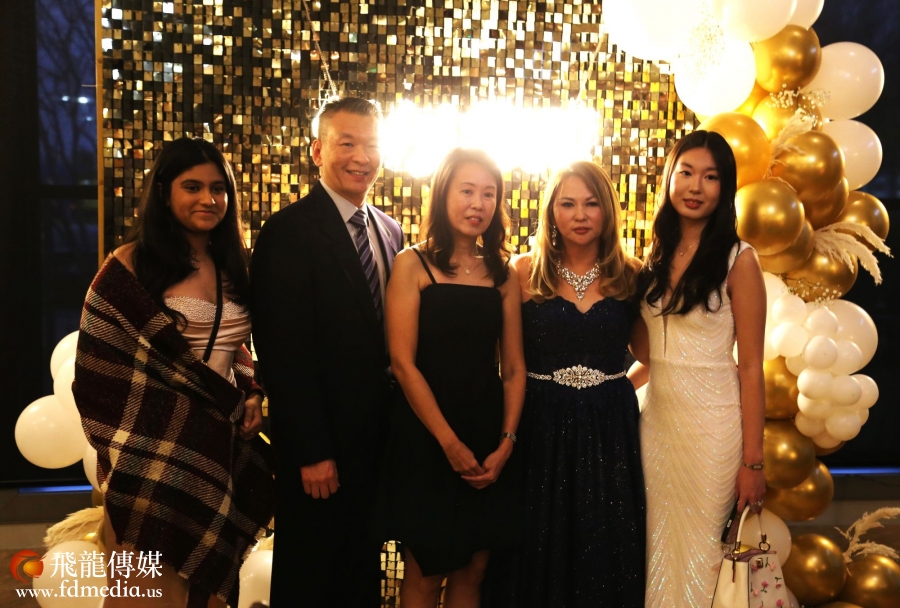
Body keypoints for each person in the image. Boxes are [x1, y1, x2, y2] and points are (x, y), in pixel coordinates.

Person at [73, 137, 275, 608]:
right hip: (151, 460)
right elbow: (97, 371)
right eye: (193, 187)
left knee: (207, 595)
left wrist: (251, 392)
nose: (209, 199)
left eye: (218, 189)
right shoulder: (128, 266)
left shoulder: (236, 266)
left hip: (219, 453)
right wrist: (165, 426)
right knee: (144, 596)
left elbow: (237, 350)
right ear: (164, 193)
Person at [250, 96, 403, 607]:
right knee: (312, 577)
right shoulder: (287, 232)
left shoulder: (390, 231)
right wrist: (312, 450)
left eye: (371, 145)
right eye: (347, 144)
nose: (361, 157)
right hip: (321, 450)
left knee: (362, 576)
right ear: (318, 150)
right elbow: (282, 353)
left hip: (377, 443)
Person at [484, 161, 646, 607]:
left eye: (591, 204)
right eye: (568, 204)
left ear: (607, 210)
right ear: (551, 212)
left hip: (609, 432)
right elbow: (507, 362)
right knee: (536, 540)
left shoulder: (631, 274)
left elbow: (653, 357)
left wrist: (615, 388)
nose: (580, 215)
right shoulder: (522, 271)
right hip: (539, 426)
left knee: (603, 542)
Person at [373, 148, 526, 608]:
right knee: (426, 571)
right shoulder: (412, 263)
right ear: (443, 194)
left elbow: (513, 368)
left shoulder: (503, 272)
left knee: (473, 571)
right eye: (467, 191)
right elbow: (403, 363)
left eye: (489, 194)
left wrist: (507, 443)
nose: (478, 204)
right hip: (426, 436)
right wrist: (448, 442)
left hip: (486, 434)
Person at [628, 130, 767, 607]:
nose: (695, 186)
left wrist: (753, 462)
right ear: (670, 177)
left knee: (705, 556)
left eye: (710, 177)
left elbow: (751, 368)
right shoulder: (652, 258)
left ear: (724, 188)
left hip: (713, 432)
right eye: (686, 172)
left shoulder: (739, 260)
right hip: (657, 428)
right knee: (655, 551)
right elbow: (652, 355)